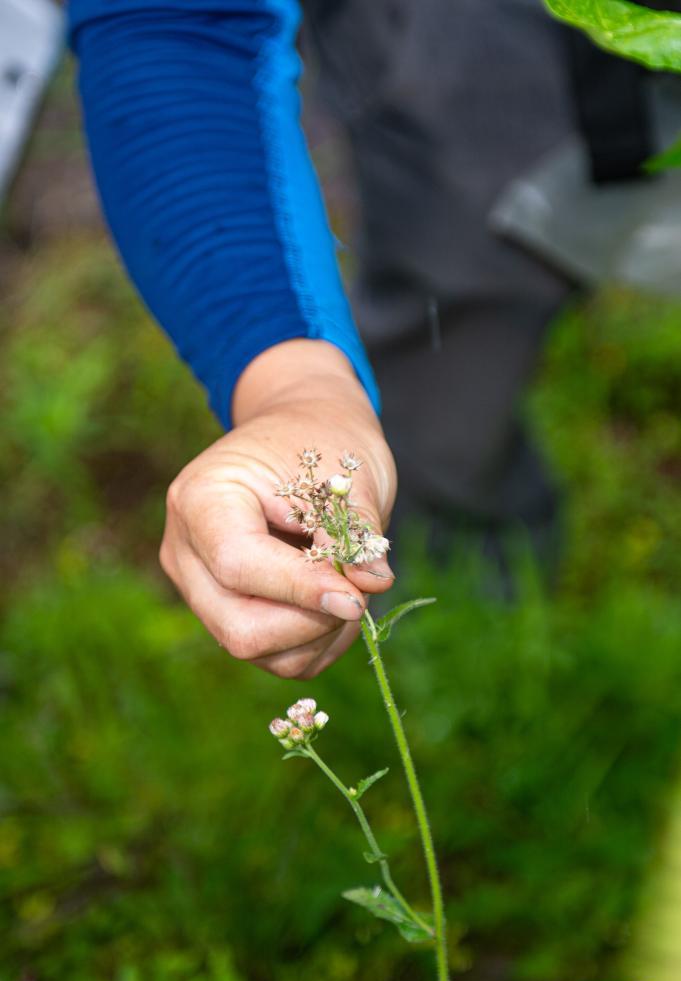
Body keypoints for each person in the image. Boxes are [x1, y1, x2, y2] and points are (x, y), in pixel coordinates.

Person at [67, 0, 666, 677]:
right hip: (478, 54)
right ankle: (471, 624)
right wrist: (298, 390)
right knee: (453, 340)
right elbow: (178, 21)